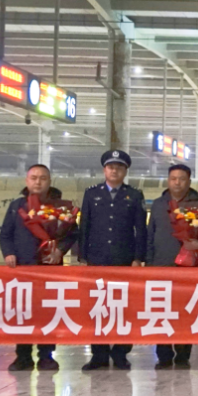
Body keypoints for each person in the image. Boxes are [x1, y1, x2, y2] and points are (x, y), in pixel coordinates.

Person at [0, 164, 77, 372]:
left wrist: (60, 250)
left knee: (47, 312)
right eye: (33, 178)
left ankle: (46, 356)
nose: (38, 182)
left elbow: (72, 233)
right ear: (27, 181)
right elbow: (5, 235)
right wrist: (9, 253)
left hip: (50, 268)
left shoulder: (61, 207)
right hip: (23, 268)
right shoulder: (17, 206)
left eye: (43, 178)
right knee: (22, 312)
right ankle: (23, 356)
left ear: (49, 181)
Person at [78, 150, 146, 371]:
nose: (114, 170)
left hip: (123, 259)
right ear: (104, 170)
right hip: (97, 259)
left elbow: (140, 229)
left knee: (123, 307)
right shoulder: (91, 194)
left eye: (119, 167)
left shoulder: (134, 195)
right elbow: (84, 225)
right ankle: (98, 354)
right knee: (98, 307)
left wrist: (138, 257)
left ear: (125, 171)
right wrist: (82, 256)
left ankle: (120, 353)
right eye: (110, 167)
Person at [146, 163, 198, 369]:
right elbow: (150, 234)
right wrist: (148, 263)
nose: (177, 182)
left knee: (185, 310)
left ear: (189, 181)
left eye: (182, 179)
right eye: (173, 178)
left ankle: (183, 355)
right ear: (168, 181)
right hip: (161, 265)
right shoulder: (159, 205)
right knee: (162, 310)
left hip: (188, 267)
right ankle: (164, 355)